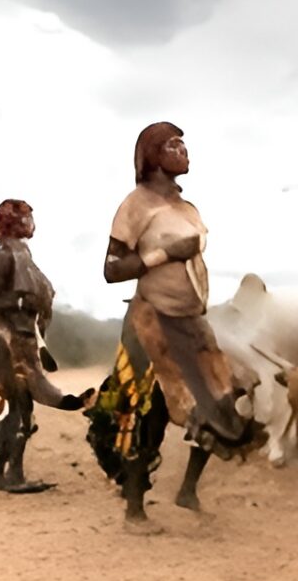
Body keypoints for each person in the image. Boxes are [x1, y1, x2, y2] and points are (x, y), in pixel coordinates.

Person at [86, 121, 265, 521]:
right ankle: (134, 509)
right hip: (151, 323)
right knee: (145, 412)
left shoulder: (187, 208)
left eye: (184, 144)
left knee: (219, 403)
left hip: (190, 320)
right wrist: (165, 255)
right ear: (153, 156)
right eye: (173, 145)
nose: (184, 151)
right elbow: (111, 269)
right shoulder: (135, 205)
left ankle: (187, 491)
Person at [0, 198, 94, 492]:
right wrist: (20, 302)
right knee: (20, 409)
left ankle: (1, 474)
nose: (32, 222)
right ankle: (12, 475)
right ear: (15, 222)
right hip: (5, 342)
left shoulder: (22, 254)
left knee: (19, 409)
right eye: (27, 217)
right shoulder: (0, 256)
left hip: (23, 341)